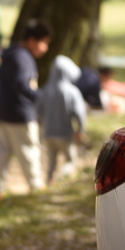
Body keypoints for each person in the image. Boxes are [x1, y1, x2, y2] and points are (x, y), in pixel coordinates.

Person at [0, 20, 52, 198]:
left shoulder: (10, 53)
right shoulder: (23, 58)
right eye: (44, 43)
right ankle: (35, 187)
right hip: (19, 114)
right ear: (32, 40)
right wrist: (42, 99)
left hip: (0, 111)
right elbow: (23, 86)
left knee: (1, 153)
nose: (45, 48)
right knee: (29, 151)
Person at [37, 55, 86, 183]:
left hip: (47, 133)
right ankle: (60, 180)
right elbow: (79, 113)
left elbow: (38, 112)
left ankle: (49, 181)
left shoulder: (45, 90)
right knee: (70, 160)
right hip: (64, 134)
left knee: (51, 161)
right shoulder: (72, 92)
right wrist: (80, 129)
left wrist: (42, 126)